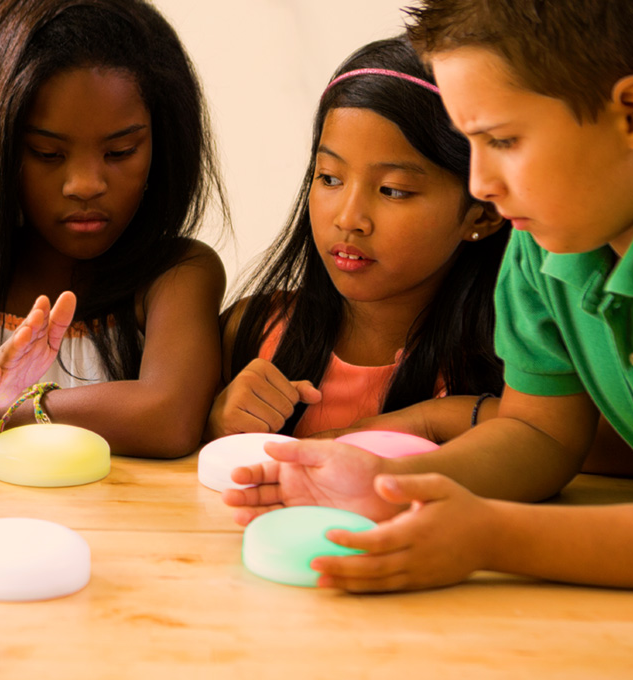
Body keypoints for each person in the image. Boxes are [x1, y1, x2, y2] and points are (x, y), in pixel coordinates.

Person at [224, 0, 633, 594]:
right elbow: (541, 433)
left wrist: (492, 537)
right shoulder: (543, 248)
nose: (480, 184)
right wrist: (390, 483)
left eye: (503, 140)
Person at [0, 0, 229, 458]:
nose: (85, 185)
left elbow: (168, 419)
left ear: (163, 141)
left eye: (120, 152)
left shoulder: (177, 273)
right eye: (48, 154)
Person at [207, 37, 507, 442]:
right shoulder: (253, 334)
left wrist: (433, 420)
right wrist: (215, 424)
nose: (349, 219)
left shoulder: (521, 368)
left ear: (483, 213)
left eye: (393, 190)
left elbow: (572, 442)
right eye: (330, 178)